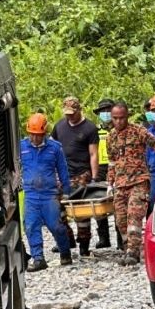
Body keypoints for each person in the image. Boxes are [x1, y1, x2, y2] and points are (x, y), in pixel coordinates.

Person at [106, 102, 155, 266]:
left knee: (134, 216)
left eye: (121, 118)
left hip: (139, 181)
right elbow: (111, 162)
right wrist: (110, 184)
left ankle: (133, 252)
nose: (118, 122)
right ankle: (128, 249)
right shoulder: (110, 137)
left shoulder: (138, 131)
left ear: (127, 116)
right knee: (121, 220)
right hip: (120, 183)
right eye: (115, 118)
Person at [20, 113, 73, 272]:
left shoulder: (55, 148)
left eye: (38, 135)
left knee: (56, 226)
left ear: (44, 133)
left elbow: (63, 170)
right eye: (32, 135)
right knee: (31, 226)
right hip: (31, 195)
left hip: (49, 195)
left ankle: (65, 253)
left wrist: (66, 192)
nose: (35, 138)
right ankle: (38, 258)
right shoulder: (21, 146)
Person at [51, 96, 100, 257]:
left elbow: (93, 154)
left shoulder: (89, 128)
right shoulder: (59, 126)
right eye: (67, 114)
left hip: (81, 173)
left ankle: (84, 244)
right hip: (62, 173)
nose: (69, 117)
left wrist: (94, 177)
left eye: (72, 113)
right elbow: (52, 147)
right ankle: (67, 239)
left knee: (80, 211)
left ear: (79, 110)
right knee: (56, 209)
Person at [92, 98, 123, 250]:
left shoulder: (119, 129)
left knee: (118, 204)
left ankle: (120, 239)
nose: (105, 114)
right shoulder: (95, 130)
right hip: (100, 168)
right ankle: (103, 237)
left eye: (107, 111)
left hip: (117, 167)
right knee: (99, 203)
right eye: (102, 112)